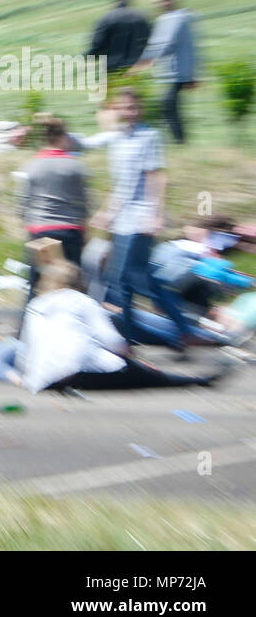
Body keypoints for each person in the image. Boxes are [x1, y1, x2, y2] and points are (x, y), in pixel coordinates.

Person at [18, 261, 227, 393]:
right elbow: (113, 341)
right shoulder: (81, 300)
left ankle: (194, 380)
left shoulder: (34, 306)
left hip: (41, 378)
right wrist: (130, 356)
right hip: (77, 371)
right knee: (148, 377)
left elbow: (25, 348)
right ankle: (198, 381)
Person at [92, 87, 191, 352]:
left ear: (140, 108)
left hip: (141, 218)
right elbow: (122, 183)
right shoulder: (117, 140)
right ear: (118, 110)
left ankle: (128, 339)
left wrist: (155, 214)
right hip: (123, 217)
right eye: (125, 108)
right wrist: (107, 211)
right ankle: (182, 330)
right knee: (144, 279)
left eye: (133, 107)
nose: (130, 112)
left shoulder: (149, 136)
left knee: (120, 278)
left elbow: (156, 176)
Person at [18, 115, 89, 302]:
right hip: (69, 231)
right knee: (73, 286)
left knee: (37, 284)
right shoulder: (75, 165)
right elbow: (83, 204)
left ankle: (27, 329)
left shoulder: (32, 165)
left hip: (39, 231)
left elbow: (23, 202)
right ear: (63, 137)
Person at [133, 0, 198, 144]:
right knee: (169, 107)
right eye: (162, 1)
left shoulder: (179, 18)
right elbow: (157, 44)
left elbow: (167, 45)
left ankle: (179, 142)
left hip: (178, 72)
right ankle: (176, 141)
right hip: (169, 72)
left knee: (168, 106)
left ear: (174, 0)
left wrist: (144, 62)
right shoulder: (165, 19)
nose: (165, 3)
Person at [87, 0, 151, 72]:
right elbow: (151, 41)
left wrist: (89, 58)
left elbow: (97, 44)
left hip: (113, 69)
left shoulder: (106, 18)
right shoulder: (141, 16)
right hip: (136, 68)